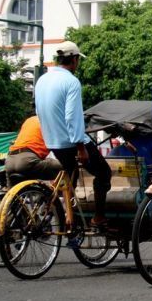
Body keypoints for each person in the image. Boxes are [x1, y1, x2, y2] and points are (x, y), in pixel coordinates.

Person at [35, 41, 112, 228]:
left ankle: (68, 217)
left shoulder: (42, 80)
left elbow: (39, 111)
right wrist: (80, 146)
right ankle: (98, 217)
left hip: (53, 142)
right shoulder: (71, 81)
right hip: (71, 143)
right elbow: (72, 117)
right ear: (74, 60)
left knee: (70, 178)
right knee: (103, 173)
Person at [5, 116, 63, 180]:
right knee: (65, 165)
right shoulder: (50, 122)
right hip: (27, 161)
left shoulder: (29, 120)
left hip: (9, 161)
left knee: (12, 189)